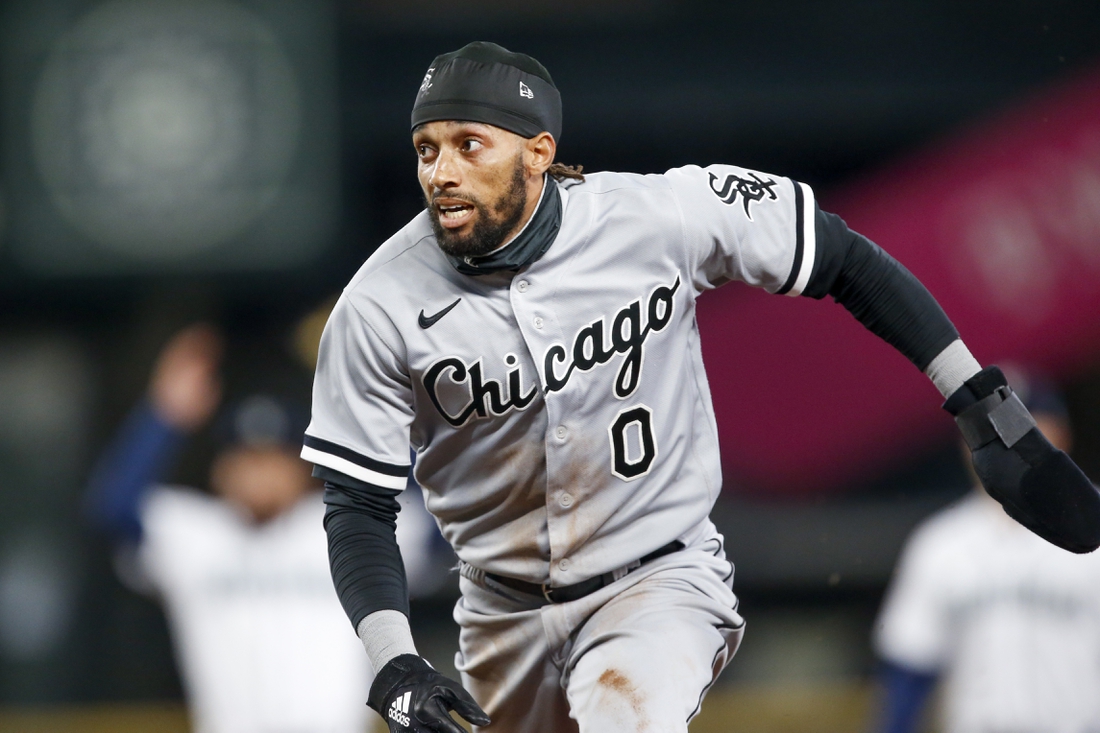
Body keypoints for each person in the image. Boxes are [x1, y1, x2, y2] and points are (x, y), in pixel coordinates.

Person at [301, 42, 1100, 733]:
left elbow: (842, 257)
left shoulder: (657, 217)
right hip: (500, 608)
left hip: (658, 575)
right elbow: (359, 504)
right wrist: (394, 659)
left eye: (468, 143)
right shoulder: (380, 306)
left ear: (538, 151)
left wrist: (979, 403)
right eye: (426, 147)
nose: (440, 170)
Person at [85, 323, 439, 733]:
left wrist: (386, 410)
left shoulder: (346, 529)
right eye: (247, 459)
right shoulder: (193, 534)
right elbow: (110, 508)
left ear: (302, 470)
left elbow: (437, 519)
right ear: (221, 470)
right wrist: (164, 416)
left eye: (275, 459)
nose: (260, 473)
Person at [873, 372, 1100, 733]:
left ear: (1061, 435)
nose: (1004, 442)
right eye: (988, 428)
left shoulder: (1096, 525)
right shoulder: (940, 543)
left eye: (1024, 428)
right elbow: (910, 668)